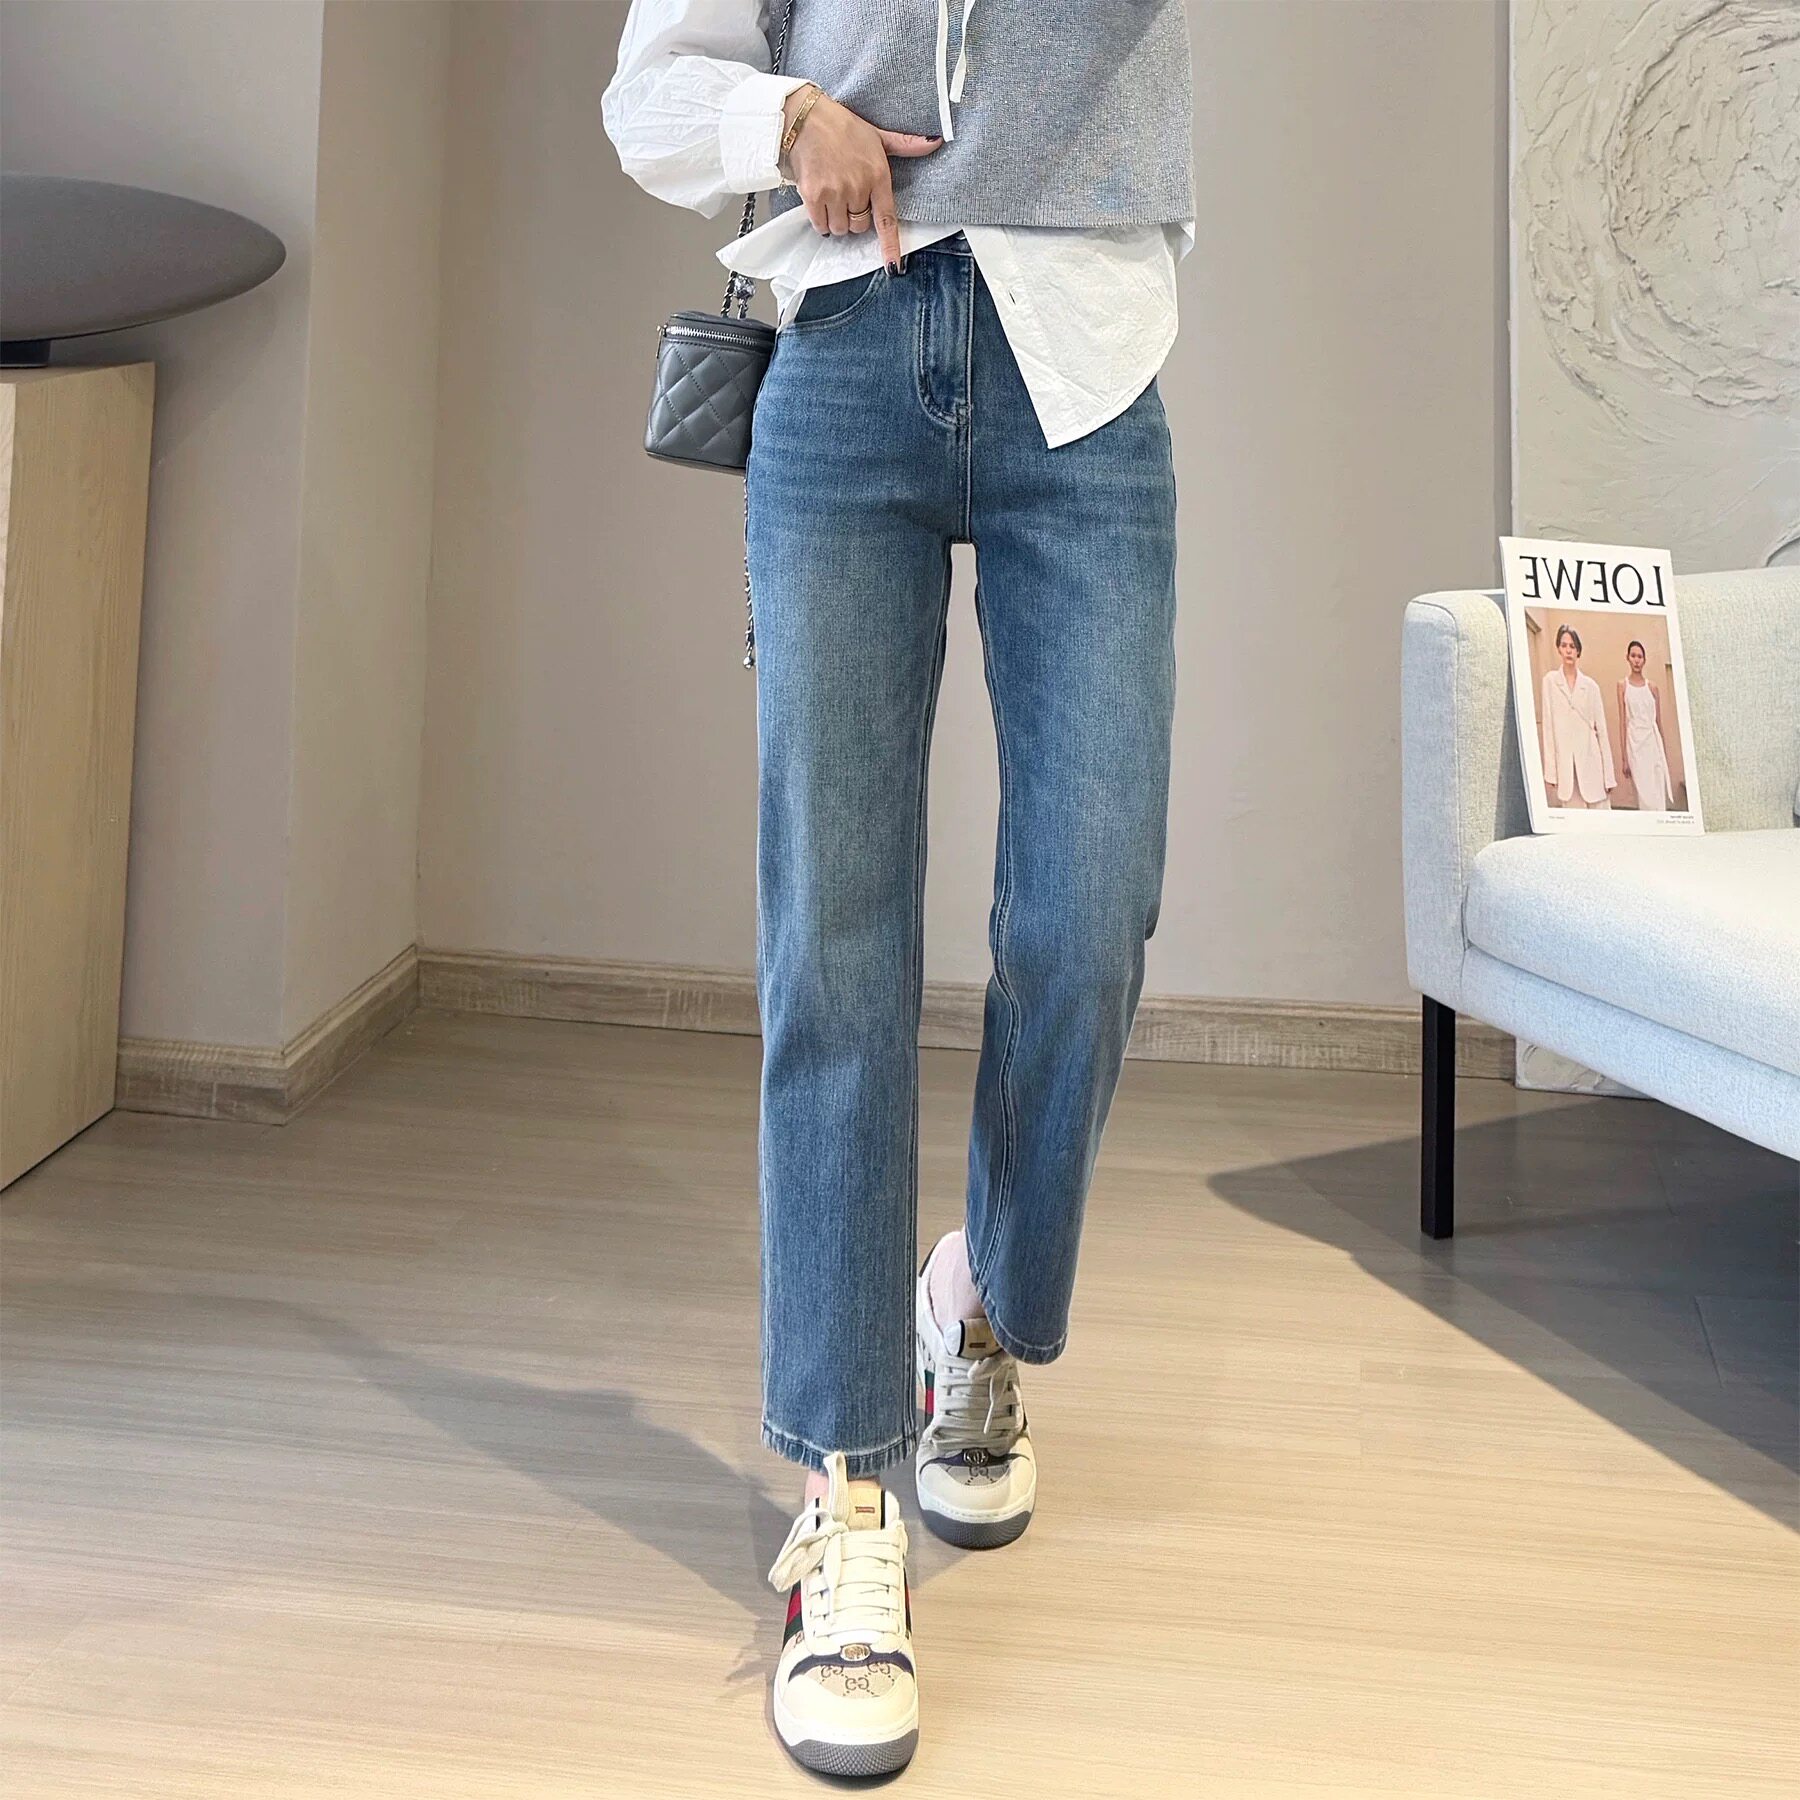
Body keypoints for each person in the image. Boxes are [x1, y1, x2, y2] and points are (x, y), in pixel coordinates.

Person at [604, 1, 1194, 1773]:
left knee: (1088, 913)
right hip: (843, 361)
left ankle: (975, 1307)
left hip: (1082, 365)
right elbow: (652, 90)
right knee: (835, 940)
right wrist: (791, 116)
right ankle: (847, 1490)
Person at [1540, 624, 1615, 810]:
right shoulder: (1550, 682)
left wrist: (1609, 776)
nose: (1568, 650)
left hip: (1591, 762)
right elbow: (1548, 730)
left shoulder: (1591, 686)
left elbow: (1602, 732)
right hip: (1567, 769)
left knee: (1600, 819)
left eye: (1572, 646)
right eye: (1564, 645)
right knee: (1574, 821)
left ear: (1578, 651)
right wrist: (1551, 773)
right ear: (1558, 648)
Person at [1617, 638, 1674, 812]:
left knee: (1657, 791)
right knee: (1644, 795)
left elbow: (1658, 722)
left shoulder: (1652, 688)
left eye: (1640, 657)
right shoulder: (1622, 686)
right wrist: (1624, 758)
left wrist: (1663, 753)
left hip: (1653, 744)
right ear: (1627, 657)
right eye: (1633, 656)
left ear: (1644, 660)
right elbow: (1622, 722)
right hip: (1635, 745)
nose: (1636, 660)